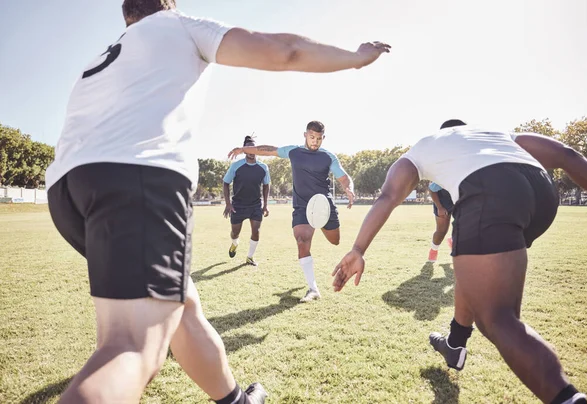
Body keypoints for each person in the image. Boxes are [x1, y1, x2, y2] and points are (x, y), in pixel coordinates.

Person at [44, 0, 390, 401]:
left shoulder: (104, 56)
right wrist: (354, 58)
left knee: (184, 309)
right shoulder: (178, 26)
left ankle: (237, 400)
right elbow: (284, 51)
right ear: (169, 5)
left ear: (127, 15)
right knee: (132, 347)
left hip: (67, 189)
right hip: (133, 179)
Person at [331, 120, 587, 404]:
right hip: (542, 194)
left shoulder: (423, 145)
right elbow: (568, 154)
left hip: (490, 192)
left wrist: (358, 248)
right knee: (470, 261)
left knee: (496, 317)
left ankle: (565, 397)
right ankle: (455, 343)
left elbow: (389, 194)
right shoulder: (494, 133)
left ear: (441, 132)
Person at [228, 121, 355, 303]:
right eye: (312, 137)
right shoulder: (294, 151)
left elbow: (343, 177)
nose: (315, 142)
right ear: (305, 135)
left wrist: (349, 188)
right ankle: (313, 289)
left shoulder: (328, 157)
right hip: (302, 207)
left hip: (323, 206)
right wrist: (244, 149)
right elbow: (270, 150)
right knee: (302, 240)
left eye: (319, 139)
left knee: (335, 241)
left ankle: (319, 230)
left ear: (323, 138)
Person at [223, 135, 271, 266]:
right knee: (235, 233)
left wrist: (265, 205)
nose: (251, 153)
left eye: (253, 150)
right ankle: (234, 243)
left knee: (256, 231)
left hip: (255, 205)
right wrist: (228, 204)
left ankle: (250, 257)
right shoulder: (236, 166)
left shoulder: (263, 167)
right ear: (244, 151)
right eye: (248, 150)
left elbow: (266, 185)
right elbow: (225, 183)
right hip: (238, 206)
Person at [427, 182, 454, 262]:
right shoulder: (448, 175)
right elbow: (432, 189)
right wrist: (440, 207)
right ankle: (434, 249)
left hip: (459, 202)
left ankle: (453, 240)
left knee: (463, 227)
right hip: (443, 202)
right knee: (442, 231)